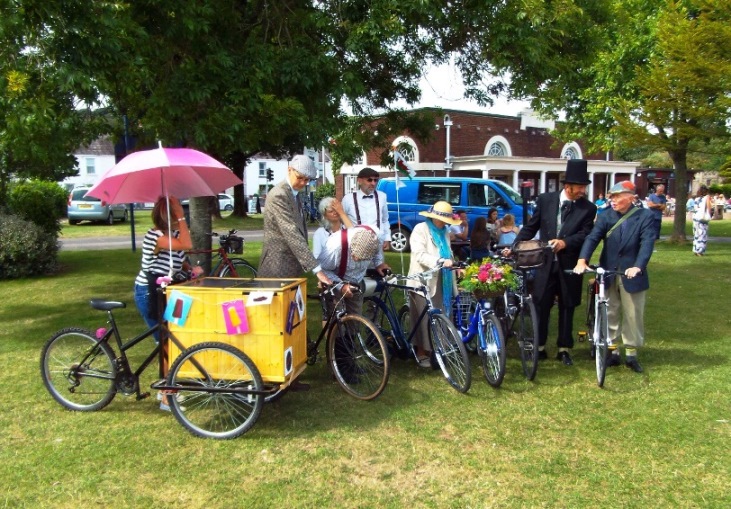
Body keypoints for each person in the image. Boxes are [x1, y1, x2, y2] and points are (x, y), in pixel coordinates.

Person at [509, 159, 597, 366]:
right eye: (580, 187)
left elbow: (586, 234)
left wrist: (565, 242)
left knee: (568, 305)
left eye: (584, 187)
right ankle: (539, 347)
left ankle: (564, 348)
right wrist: (516, 245)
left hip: (570, 263)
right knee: (541, 304)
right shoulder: (546, 200)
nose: (583, 191)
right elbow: (532, 226)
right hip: (545, 263)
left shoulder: (589, 208)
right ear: (568, 186)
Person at [573, 180, 656, 373]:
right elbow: (593, 237)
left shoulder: (645, 216)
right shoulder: (606, 216)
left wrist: (638, 266)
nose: (613, 200)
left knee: (633, 313)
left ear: (630, 197)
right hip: (609, 271)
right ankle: (612, 351)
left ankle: (631, 354)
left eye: (617, 196)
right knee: (609, 311)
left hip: (631, 273)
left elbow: (647, 243)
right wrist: (582, 260)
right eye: (611, 197)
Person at [133, 196, 203, 411]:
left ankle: (170, 386)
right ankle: (166, 395)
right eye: (176, 213)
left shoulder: (172, 235)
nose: (181, 216)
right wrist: (181, 214)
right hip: (148, 293)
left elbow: (178, 254)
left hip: (166, 292)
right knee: (165, 343)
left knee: (173, 339)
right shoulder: (155, 236)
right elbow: (187, 244)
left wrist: (190, 269)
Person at [257, 154, 332, 286]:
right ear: (289, 170)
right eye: (300, 178)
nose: (303, 183)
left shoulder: (294, 194)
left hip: (291, 267)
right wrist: (317, 270)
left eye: (307, 180)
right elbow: (292, 233)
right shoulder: (279, 194)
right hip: (276, 268)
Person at [407, 201, 462, 367]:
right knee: (423, 318)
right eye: (445, 220)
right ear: (435, 217)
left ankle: (439, 348)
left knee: (442, 314)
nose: (446, 223)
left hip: (442, 281)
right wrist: (439, 261)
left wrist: (455, 265)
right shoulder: (420, 229)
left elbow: (448, 254)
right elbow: (419, 254)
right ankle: (421, 352)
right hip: (423, 280)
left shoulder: (445, 232)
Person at [342, 167, 391, 252]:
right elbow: (342, 221)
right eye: (369, 180)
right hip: (355, 245)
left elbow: (385, 220)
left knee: (378, 265)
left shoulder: (382, 196)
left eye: (375, 180)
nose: (373, 183)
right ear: (359, 181)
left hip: (377, 243)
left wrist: (387, 238)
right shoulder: (348, 199)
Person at [693, 185, 713, 256]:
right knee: (702, 235)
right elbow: (709, 207)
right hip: (702, 218)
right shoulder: (706, 197)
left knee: (696, 234)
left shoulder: (696, 199)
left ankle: (695, 249)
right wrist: (710, 214)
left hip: (696, 218)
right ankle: (700, 251)